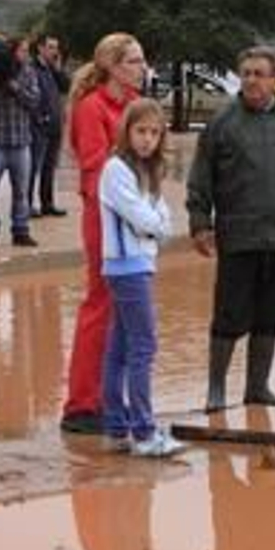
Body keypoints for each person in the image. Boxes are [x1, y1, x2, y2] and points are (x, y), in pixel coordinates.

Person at [187, 46, 275, 412]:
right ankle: (216, 390)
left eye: (259, 74)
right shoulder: (222, 123)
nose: (251, 80)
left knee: (270, 313)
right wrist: (200, 223)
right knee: (228, 314)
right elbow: (201, 177)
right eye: (246, 73)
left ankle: (257, 388)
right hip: (238, 236)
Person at [60, 33, 146, 435]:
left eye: (141, 61)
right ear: (112, 65)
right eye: (133, 61)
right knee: (101, 304)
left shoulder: (133, 105)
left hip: (132, 215)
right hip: (105, 217)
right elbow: (95, 169)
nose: (142, 68)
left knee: (124, 310)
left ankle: (110, 397)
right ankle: (81, 403)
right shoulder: (92, 108)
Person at [98, 98, 183, 458]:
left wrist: (156, 226)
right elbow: (144, 218)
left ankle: (117, 428)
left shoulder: (147, 172)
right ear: (127, 131)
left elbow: (162, 218)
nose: (147, 139)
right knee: (143, 347)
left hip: (137, 265)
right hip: (128, 267)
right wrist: (156, 226)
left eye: (154, 132)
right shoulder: (116, 169)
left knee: (120, 348)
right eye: (141, 131)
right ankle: (145, 432)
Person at [0, 36, 41, 248]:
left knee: (21, 190)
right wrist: (1, 89)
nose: (26, 55)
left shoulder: (29, 72)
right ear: (12, 52)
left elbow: (34, 101)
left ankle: (21, 231)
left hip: (21, 142)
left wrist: (15, 88)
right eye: (23, 51)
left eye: (28, 51)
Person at [28, 34, 70, 219]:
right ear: (40, 48)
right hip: (39, 127)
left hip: (55, 125)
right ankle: (27, 205)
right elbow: (31, 97)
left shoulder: (52, 69)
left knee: (50, 167)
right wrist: (39, 118)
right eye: (51, 47)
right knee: (33, 167)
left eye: (56, 47)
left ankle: (47, 204)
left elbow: (66, 87)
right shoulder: (31, 69)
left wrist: (58, 69)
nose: (55, 51)